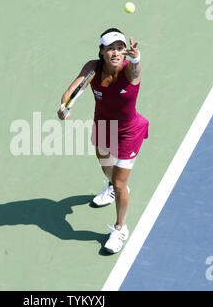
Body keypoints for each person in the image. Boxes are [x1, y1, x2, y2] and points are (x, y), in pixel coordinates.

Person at [57, 28, 149, 254]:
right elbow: (72, 89)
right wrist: (64, 106)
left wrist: (136, 59)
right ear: (101, 52)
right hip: (103, 126)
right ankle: (112, 187)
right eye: (111, 49)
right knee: (104, 163)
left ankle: (120, 228)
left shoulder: (129, 71)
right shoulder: (92, 68)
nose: (116, 53)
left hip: (129, 132)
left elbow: (136, 72)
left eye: (120, 48)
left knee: (120, 184)